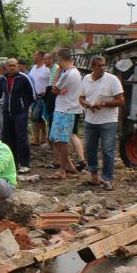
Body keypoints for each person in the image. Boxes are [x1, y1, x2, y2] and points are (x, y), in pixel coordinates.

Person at [79, 55, 125, 190]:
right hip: (90, 120)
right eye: (99, 65)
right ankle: (94, 176)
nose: (103, 67)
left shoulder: (112, 79)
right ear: (92, 67)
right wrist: (86, 104)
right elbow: (81, 97)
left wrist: (103, 103)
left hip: (108, 121)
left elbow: (121, 101)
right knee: (90, 149)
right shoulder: (86, 79)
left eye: (104, 65)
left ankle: (107, 179)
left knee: (108, 150)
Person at [0, 56, 36, 171]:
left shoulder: (24, 78)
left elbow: (33, 96)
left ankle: (24, 164)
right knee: (8, 138)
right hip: (7, 112)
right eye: (9, 66)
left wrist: (24, 106)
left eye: (14, 65)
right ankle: (12, 163)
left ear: (17, 66)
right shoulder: (3, 79)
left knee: (21, 138)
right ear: (6, 67)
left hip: (20, 113)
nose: (11, 68)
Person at [49, 49, 84, 179]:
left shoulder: (68, 74)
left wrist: (57, 72)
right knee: (55, 139)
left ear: (60, 59)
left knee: (60, 140)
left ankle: (63, 168)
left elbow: (54, 89)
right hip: (64, 108)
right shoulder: (74, 73)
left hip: (66, 109)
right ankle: (68, 164)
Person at [29, 51, 51, 145]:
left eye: (35, 55)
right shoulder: (34, 67)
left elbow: (53, 81)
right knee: (39, 117)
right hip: (33, 97)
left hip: (42, 97)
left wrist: (47, 91)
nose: (33, 56)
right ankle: (42, 137)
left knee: (35, 117)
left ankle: (37, 139)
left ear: (41, 57)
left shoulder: (46, 69)